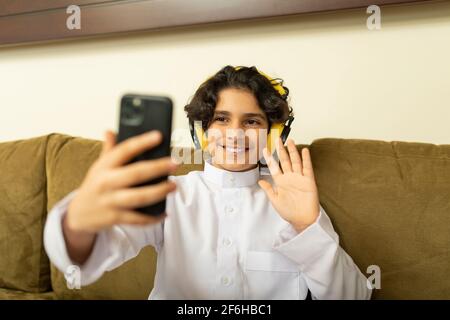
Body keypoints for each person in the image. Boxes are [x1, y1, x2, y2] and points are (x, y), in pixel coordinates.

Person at [44, 65, 372, 299]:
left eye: (252, 121)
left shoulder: (294, 201)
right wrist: (78, 224)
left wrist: (307, 228)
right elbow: (90, 259)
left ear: (273, 134)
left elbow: (354, 296)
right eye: (221, 119)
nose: (235, 133)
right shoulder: (171, 194)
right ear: (201, 130)